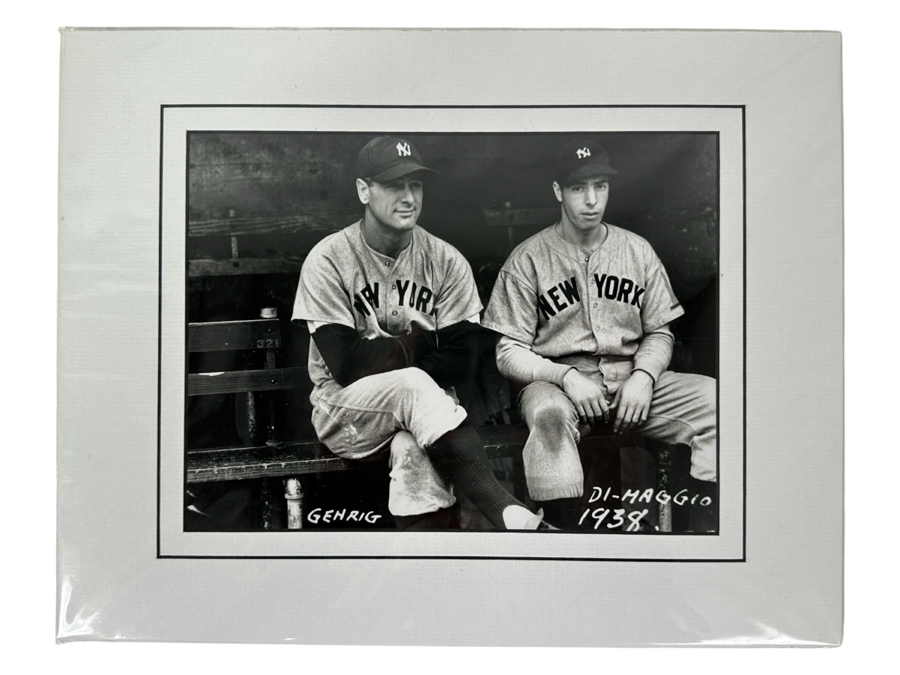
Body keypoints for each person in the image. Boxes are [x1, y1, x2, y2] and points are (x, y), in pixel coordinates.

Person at [292, 135, 549, 531]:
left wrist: (385, 349)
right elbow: (345, 365)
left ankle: (430, 567)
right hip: (345, 413)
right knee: (413, 383)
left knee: (414, 450)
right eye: (395, 185)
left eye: (416, 185)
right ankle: (503, 510)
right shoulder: (328, 258)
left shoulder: (446, 260)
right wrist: (423, 344)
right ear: (364, 190)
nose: (409, 196)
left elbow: (461, 364)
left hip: (428, 417)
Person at [483, 139, 718, 532]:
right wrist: (565, 377)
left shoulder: (636, 251)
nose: (591, 199)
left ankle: (704, 535)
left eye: (600, 186)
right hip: (556, 383)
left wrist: (644, 377)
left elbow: (660, 331)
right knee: (549, 416)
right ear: (559, 191)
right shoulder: (528, 259)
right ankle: (561, 540)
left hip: (632, 382)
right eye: (578, 188)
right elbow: (508, 352)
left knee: (716, 402)